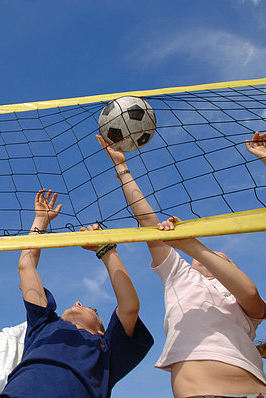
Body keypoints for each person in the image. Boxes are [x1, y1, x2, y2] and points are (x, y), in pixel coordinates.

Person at [98, 134, 266, 397]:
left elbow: (251, 296)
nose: (209, 256)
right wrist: (122, 167)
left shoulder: (238, 297)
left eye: (219, 255)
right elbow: (147, 220)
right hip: (202, 391)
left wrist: (190, 244)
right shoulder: (180, 275)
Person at [0, 189, 153, 398]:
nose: (78, 302)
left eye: (93, 309)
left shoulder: (106, 349)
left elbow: (129, 306)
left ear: (101, 331)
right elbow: (26, 266)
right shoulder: (43, 325)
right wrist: (40, 221)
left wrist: (107, 250)